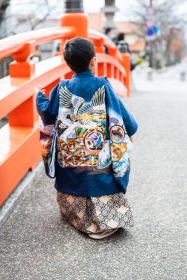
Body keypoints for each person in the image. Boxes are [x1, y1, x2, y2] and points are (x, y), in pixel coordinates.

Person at [35, 37, 138, 239]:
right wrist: (129, 133)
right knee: (109, 156)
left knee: (71, 161)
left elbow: (47, 114)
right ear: (93, 61)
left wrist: (40, 96)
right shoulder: (103, 85)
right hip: (98, 162)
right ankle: (103, 221)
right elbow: (121, 116)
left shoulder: (61, 87)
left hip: (71, 164)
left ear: (68, 63)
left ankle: (75, 215)